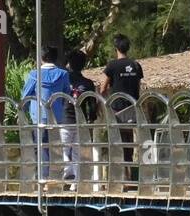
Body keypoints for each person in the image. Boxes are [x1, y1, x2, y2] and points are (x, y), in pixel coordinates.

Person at [21, 46, 71, 179]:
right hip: (57, 116)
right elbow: (66, 93)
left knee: (40, 146)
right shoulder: (63, 74)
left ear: (41, 58)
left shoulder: (34, 74)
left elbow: (25, 95)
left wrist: (22, 111)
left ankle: (43, 177)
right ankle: (54, 176)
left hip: (38, 116)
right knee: (54, 146)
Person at [101, 34, 144, 181]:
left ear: (116, 48)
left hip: (117, 110)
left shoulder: (112, 65)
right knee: (129, 142)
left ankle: (119, 177)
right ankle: (129, 177)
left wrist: (105, 103)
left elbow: (103, 88)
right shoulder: (136, 65)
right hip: (132, 109)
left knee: (116, 142)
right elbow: (138, 87)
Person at [61, 49, 97, 189]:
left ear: (69, 63)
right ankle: (75, 184)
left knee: (62, 150)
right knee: (77, 153)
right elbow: (92, 105)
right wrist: (91, 120)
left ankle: (67, 174)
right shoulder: (87, 83)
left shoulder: (63, 79)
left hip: (64, 120)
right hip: (79, 121)